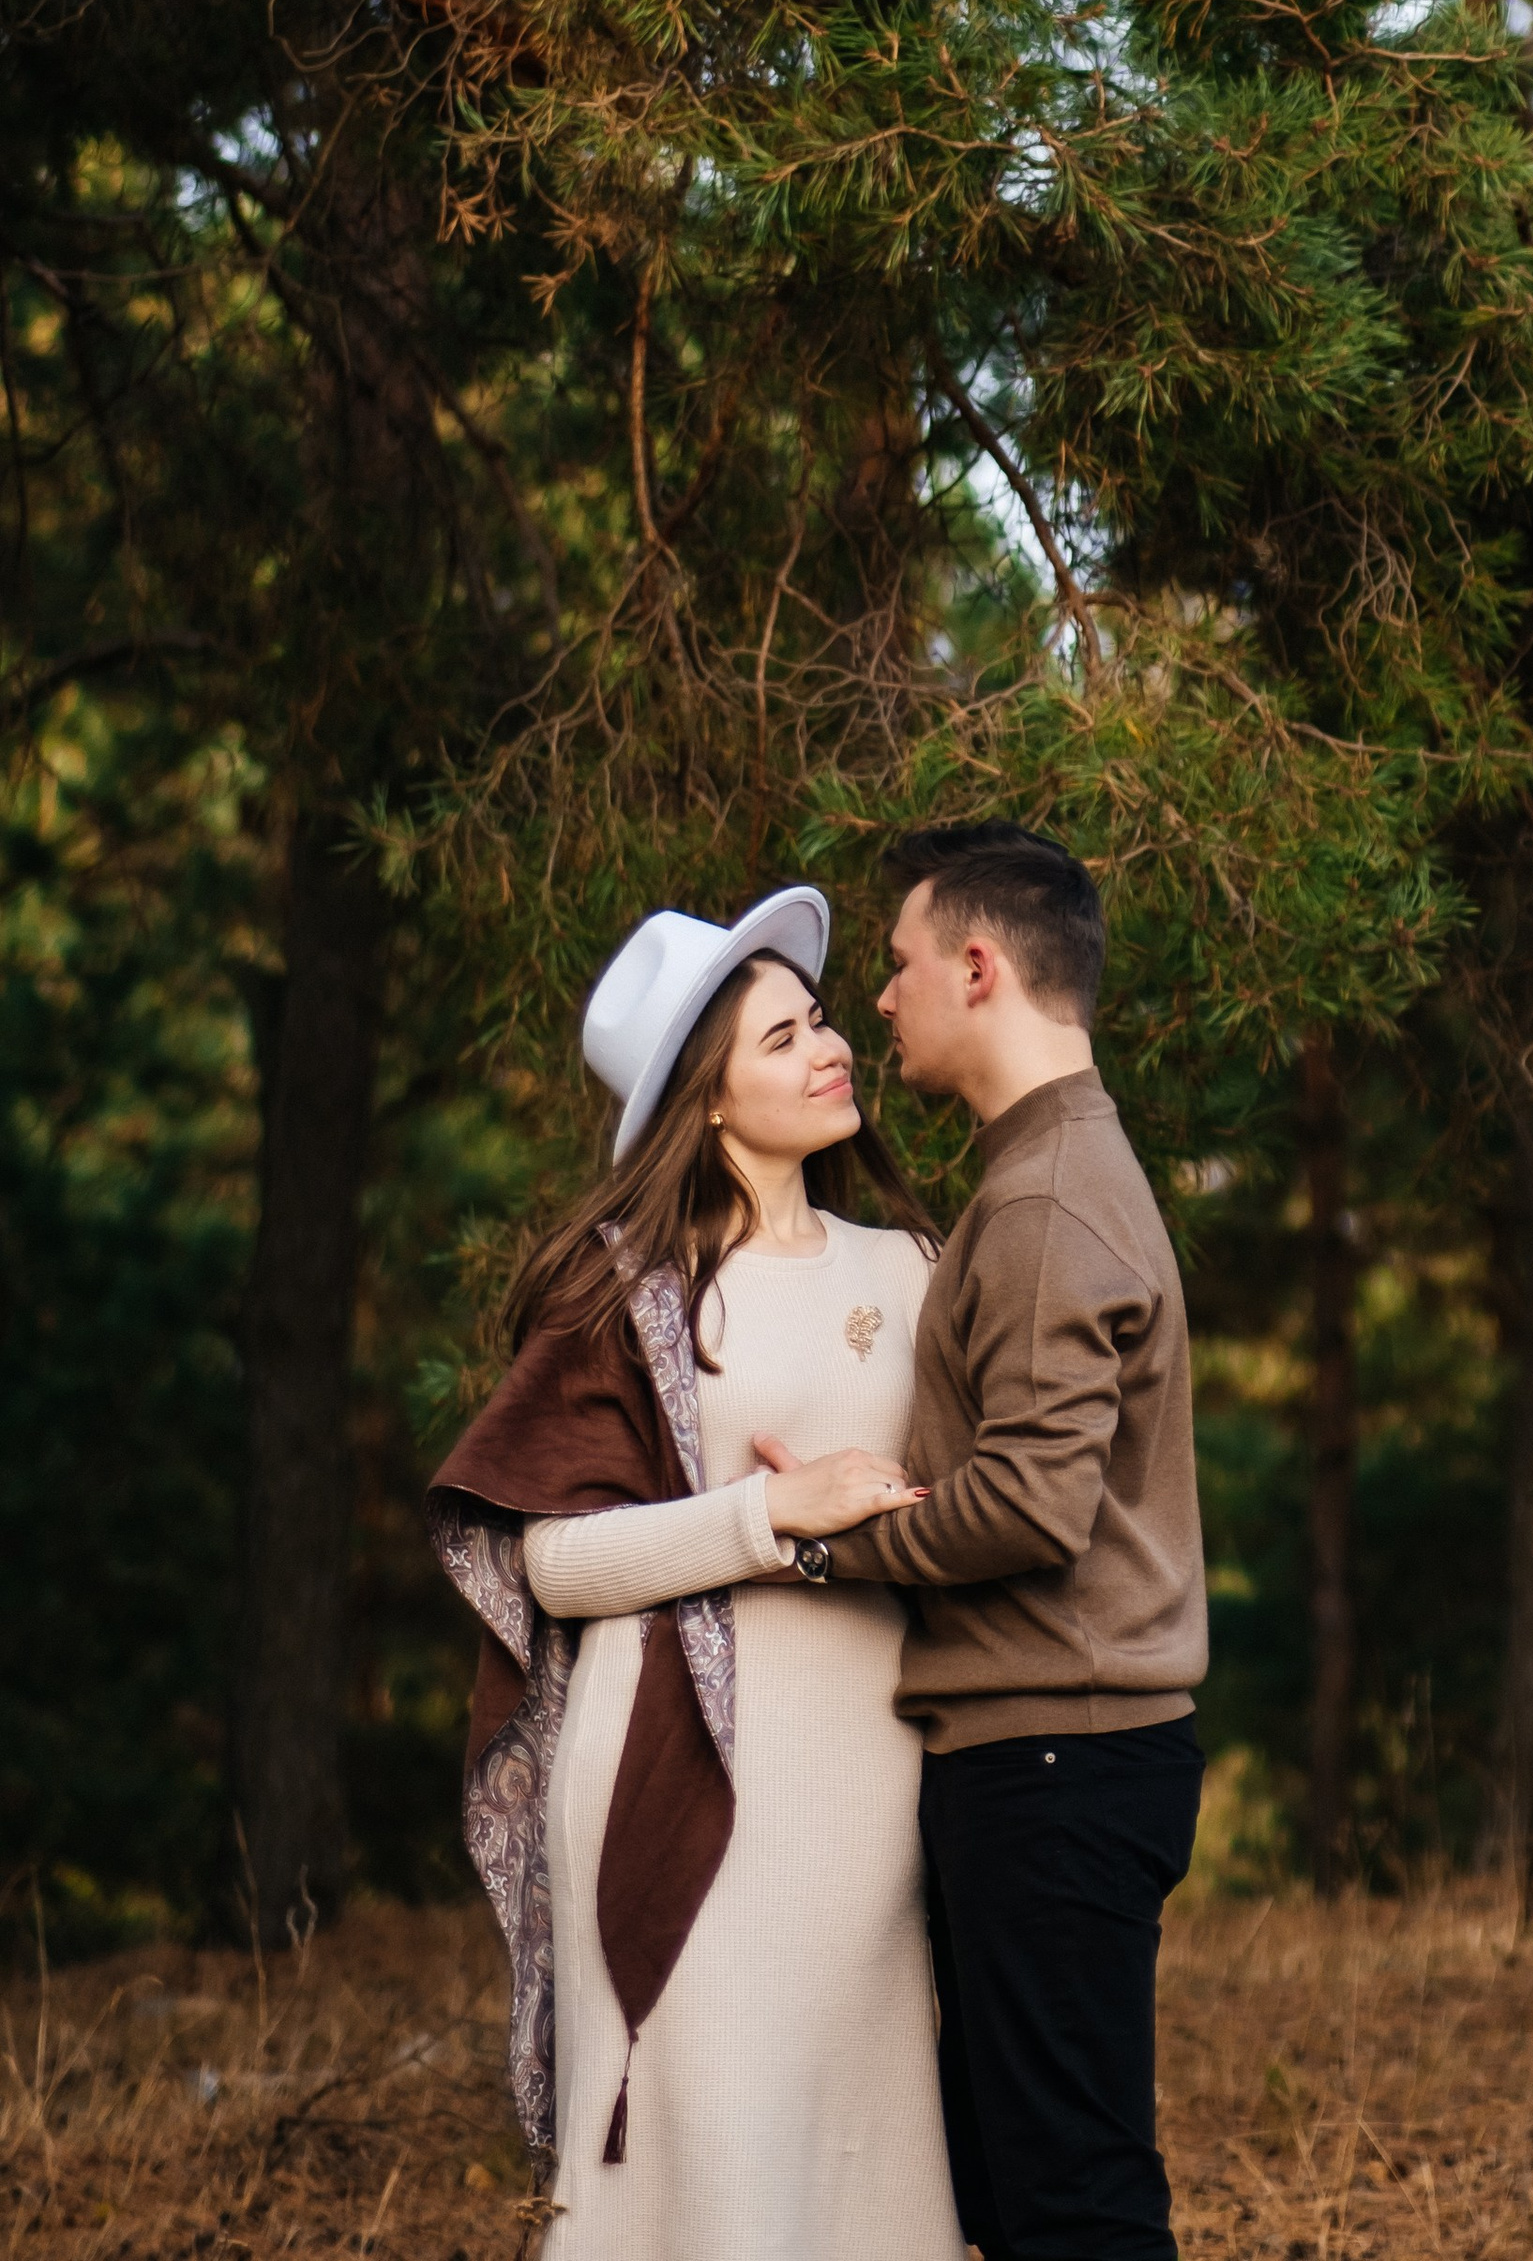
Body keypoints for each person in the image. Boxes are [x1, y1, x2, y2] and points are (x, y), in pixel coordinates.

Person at [427, 885, 965, 2261]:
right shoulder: (631, 1290)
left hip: (878, 1787)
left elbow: (977, 1500)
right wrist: (768, 1511)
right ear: (709, 1102)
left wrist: (869, 1520)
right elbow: (552, 1561)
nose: (831, 1046)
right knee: (711, 2162)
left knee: (861, 2162)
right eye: (784, 1038)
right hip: (683, 1788)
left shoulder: (912, 1266)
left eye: (825, 1018)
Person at [756, 822, 1209, 2261]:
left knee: (1073, 2204)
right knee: (1018, 2198)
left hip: (1057, 1761)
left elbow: (1028, 1501)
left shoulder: (1048, 1198)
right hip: (1049, 1755)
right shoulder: (1043, 1171)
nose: (874, 1000)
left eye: (893, 966)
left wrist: (827, 1534)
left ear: (978, 963)